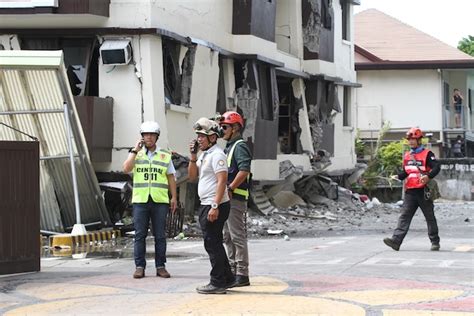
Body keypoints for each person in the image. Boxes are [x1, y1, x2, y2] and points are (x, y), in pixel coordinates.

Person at [123, 121, 177, 279]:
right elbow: (126, 168)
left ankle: (161, 266)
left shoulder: (165, 155)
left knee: (160, 235)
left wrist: (174, 197)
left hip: (160, 201)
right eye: (146, 135)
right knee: (140, 235)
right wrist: (134, 150)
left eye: (152, 135)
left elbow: (171, 177)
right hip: (141, 200)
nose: (149, 138)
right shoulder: (135, 154)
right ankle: (139, 266)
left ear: (157, 137)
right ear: (142, 137)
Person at [188, 117, 235, 294]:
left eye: (203, 136)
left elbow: (222, 181)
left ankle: (217, 282)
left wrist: (215, 206)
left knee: (212, 244)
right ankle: (228, 278)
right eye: (198, 135)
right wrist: (193, 156)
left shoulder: (217, 155)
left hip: (215, 205)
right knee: (214, 242)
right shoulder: (205, 155)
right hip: (207, 203)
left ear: (213, 138)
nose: (199, 139)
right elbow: (193, 177)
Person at [384, 127, 441, 251]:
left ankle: (435, 241)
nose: (411, 142)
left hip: (423, 191)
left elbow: (437, 167)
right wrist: (398, 177)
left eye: (413, 139)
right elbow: (407, 172)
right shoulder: (407, 155)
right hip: (410, 191)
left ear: (419, 140)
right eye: (409, 139)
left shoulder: (427, 154)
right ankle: (396, 241)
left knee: (429, 217)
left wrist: (428, 176)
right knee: (404, 216)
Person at [219, 111, 252, 287]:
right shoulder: (228, 147)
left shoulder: (239, 146)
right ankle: (232, 270)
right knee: (227, 236)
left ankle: (242, 273)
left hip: (235, 198)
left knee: (237, 235)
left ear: (236, 128)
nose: (221, 130)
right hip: (226, 197)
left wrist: (231, 188)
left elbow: (244, 170)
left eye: (225, 127)